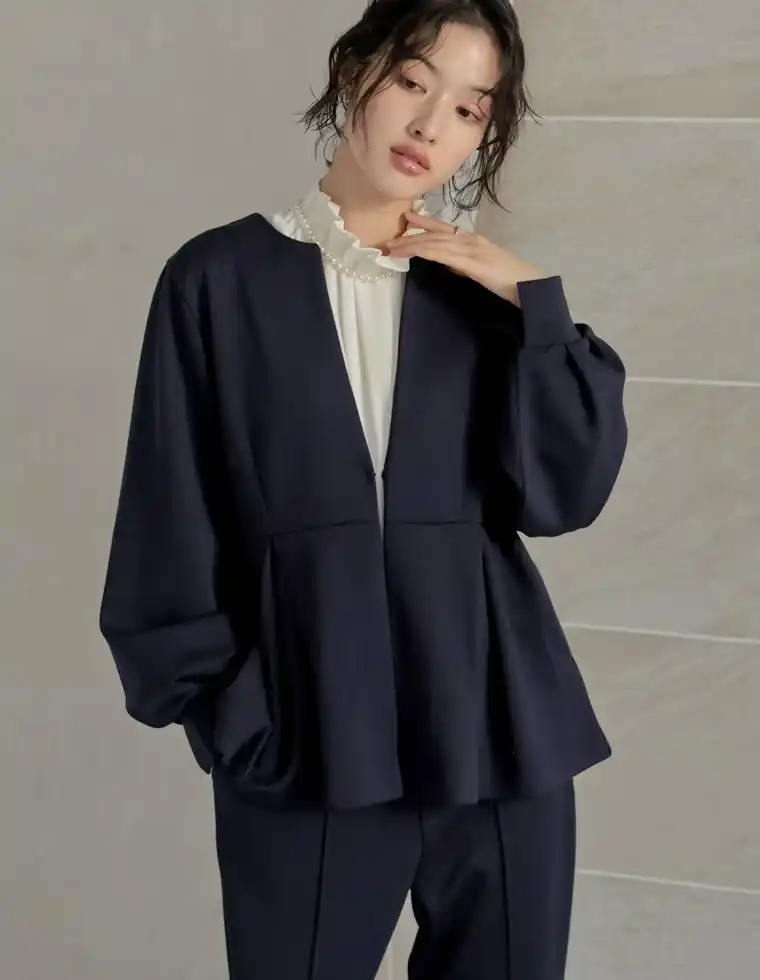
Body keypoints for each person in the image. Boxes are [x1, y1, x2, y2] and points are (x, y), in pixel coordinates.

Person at [98, 2, 628, 978]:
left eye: (468, 109)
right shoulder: (218, 279)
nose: (430, 125)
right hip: (307, 744)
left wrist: (535, 305)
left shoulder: (480, 296)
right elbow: (167, 517)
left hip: (499, 741)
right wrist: (232, 717)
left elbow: (565, 497)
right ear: (356, 70)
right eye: (414, 82)